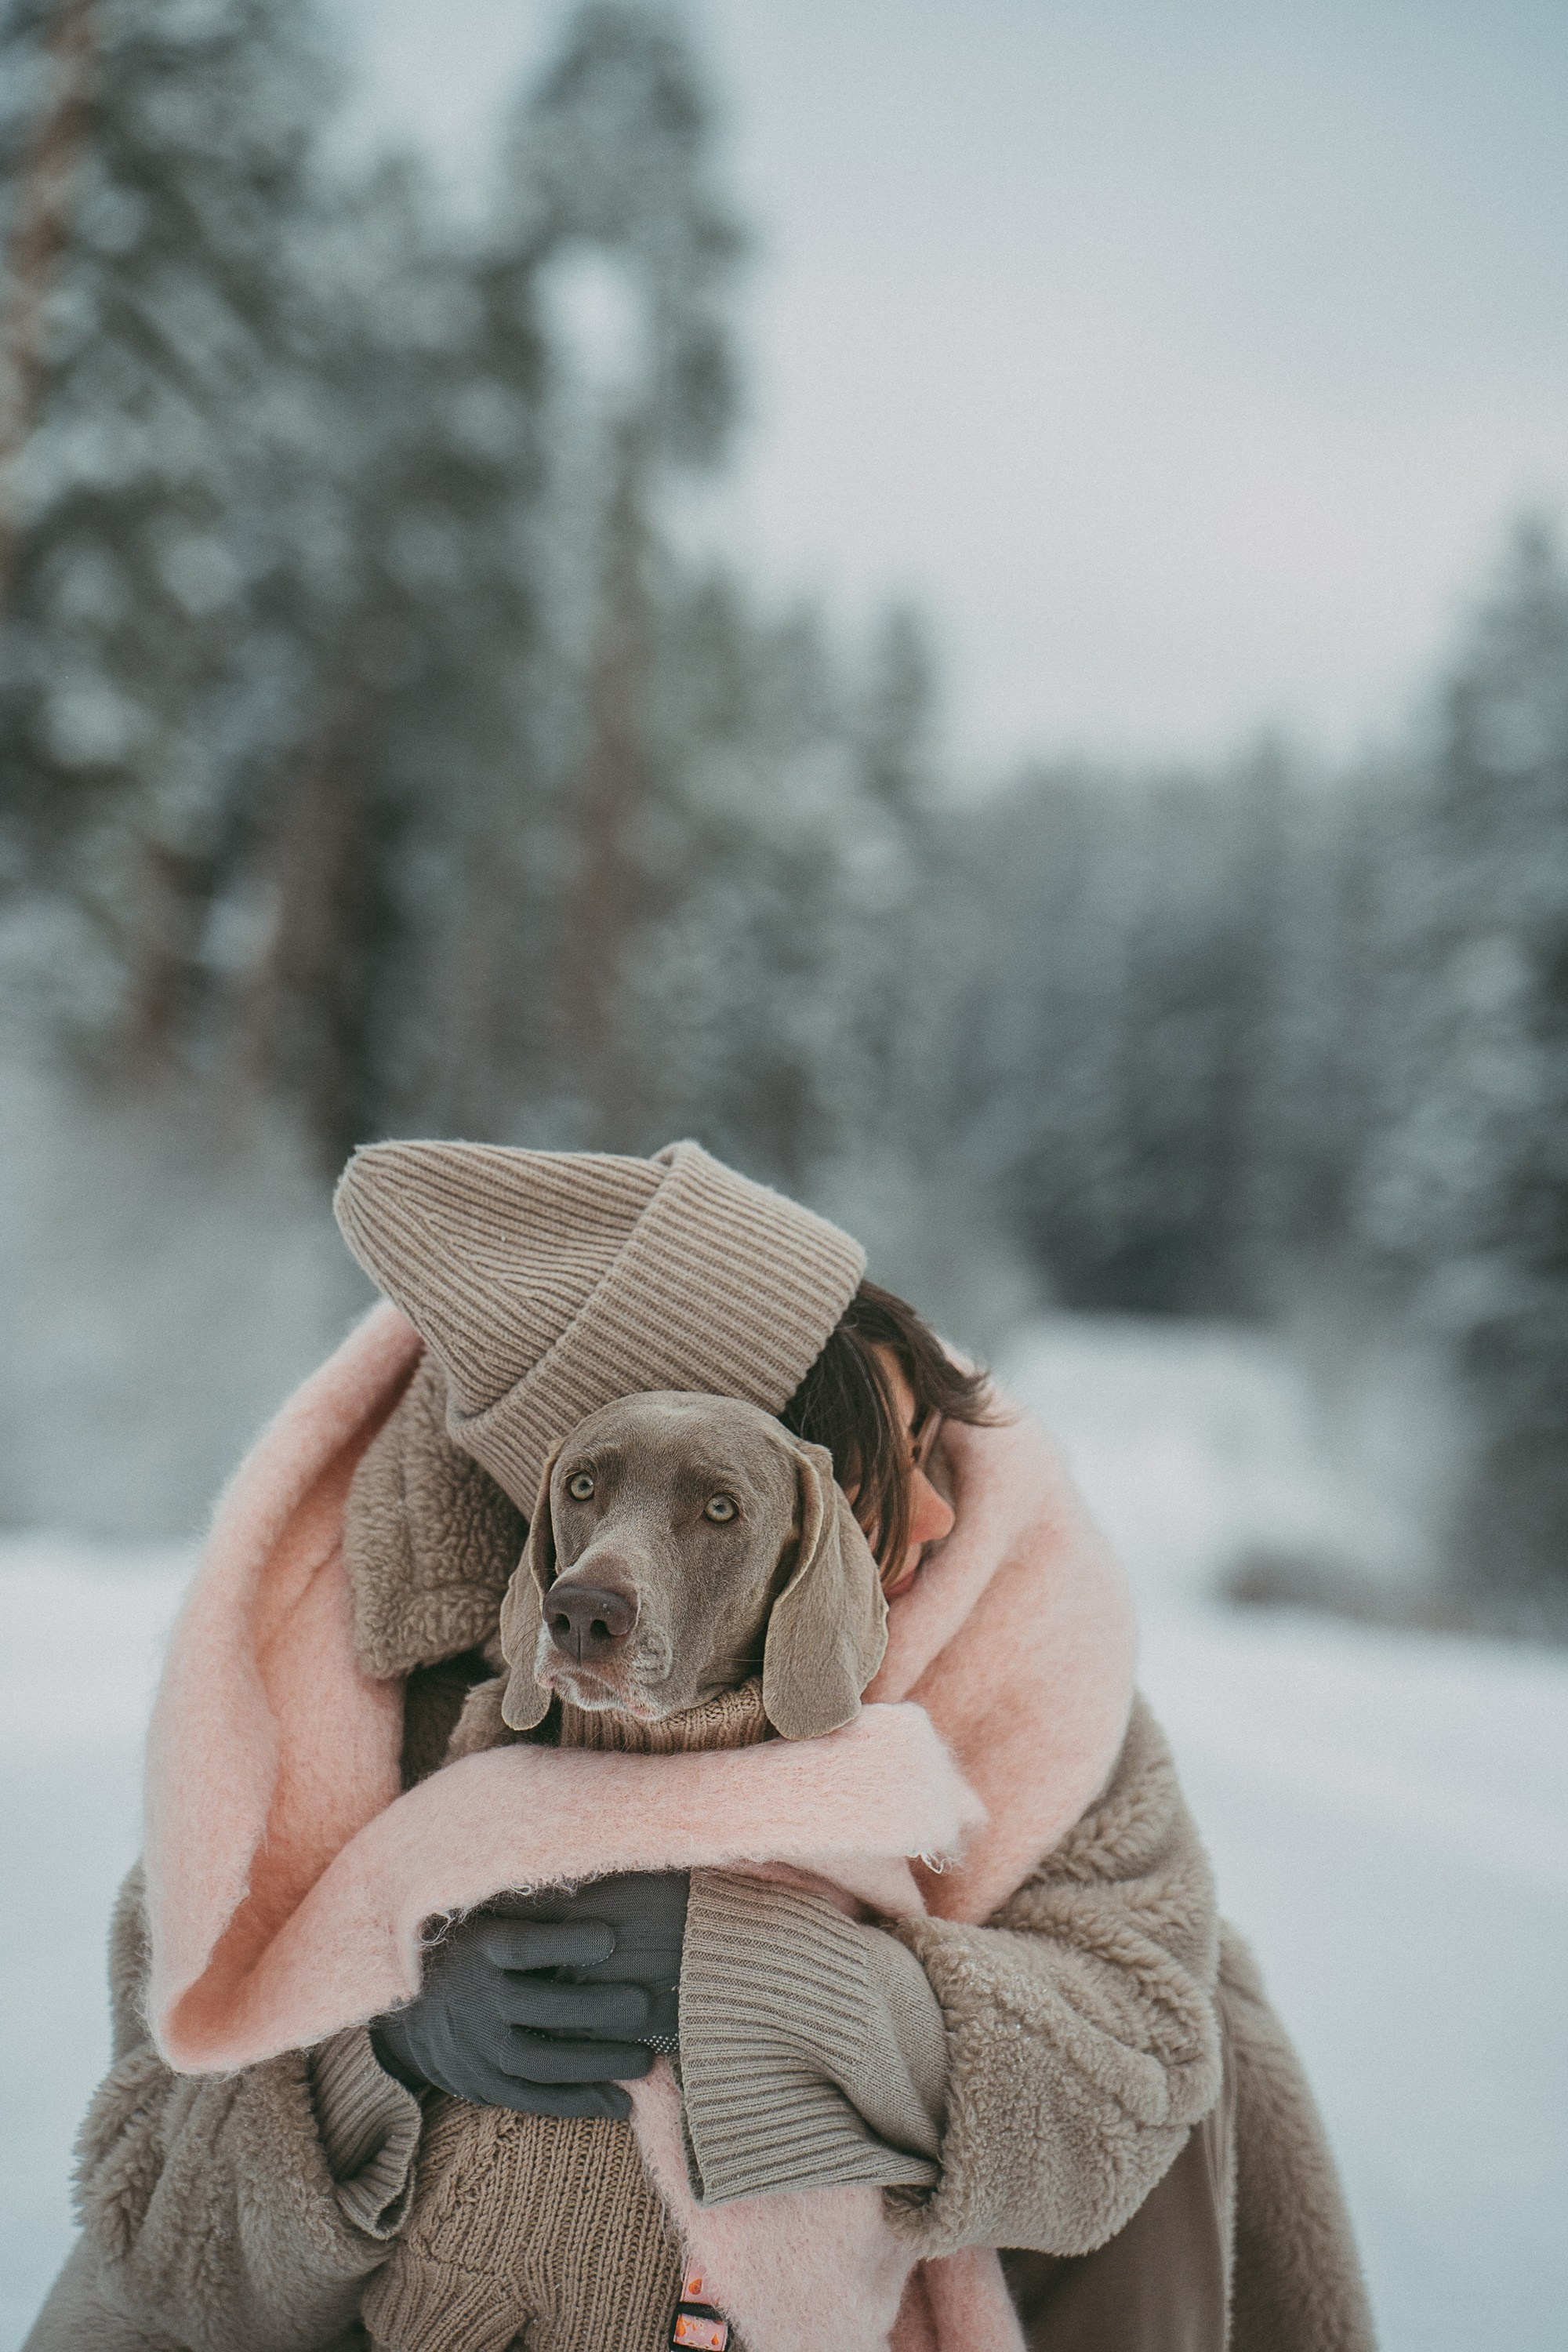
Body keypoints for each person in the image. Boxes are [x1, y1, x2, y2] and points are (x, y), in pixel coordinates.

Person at [25, 1138, 1375, 2352]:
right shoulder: (329, 1677)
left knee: (1215, 2037)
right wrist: (378, 2055)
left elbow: (1131, 2065)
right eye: (865, 1464)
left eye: (916, 1419)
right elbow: (157, 2228)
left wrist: (802, 1992)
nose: (937, 1508)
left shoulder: (1024, 1642)